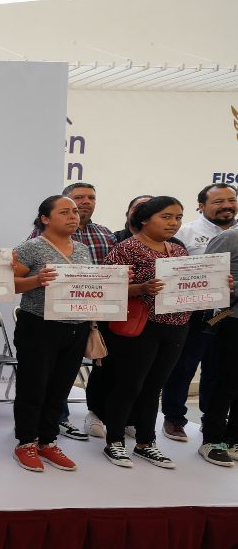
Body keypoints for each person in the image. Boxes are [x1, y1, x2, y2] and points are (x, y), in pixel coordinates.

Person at [100, 196, 209, 469]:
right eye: (166, 216)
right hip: (142, 326)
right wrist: (140, 288)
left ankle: (145, 443)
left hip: (177, 326)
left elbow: (190, 286)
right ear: (145, 220)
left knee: (153, 387)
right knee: (129, 385)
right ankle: (114, 441)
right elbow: (106, 288)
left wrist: (214, 284)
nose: (174, 223)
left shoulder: (178, 250)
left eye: (178, 217)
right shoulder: (126, 248)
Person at [9, 196, 92, 473]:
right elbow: (10, 284)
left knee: (60, 387)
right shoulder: (31, 247)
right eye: (65, 212)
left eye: (75, 212)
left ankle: (48, 441)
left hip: (76, 325)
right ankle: (26, 442)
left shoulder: (82, 249)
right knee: (33, 386)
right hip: (39, 325)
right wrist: (37, 280)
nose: (73, 216)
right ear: (45, 218)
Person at [159, 183, 237, 442]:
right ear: (201, 206)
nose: (227, 206)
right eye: (218, 201)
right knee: (183, 367)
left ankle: (210, 419)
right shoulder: (186, 232)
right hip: (195, 313)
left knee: (219, 370)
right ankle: (174, 418)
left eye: (231, 200)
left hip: (230, 316)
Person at [199, 227, 238, 466]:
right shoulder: (230, 237)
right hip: (231, 320)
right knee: (226, 381)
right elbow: (205, 278)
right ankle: (212, 439)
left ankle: (234, 439)